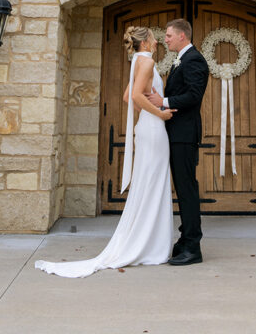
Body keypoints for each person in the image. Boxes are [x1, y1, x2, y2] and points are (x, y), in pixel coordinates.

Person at [35, 26, 174, 278]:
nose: (157, 41)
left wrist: (146, 105)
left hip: (147, 129)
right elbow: (134, 96)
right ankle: (151, 246)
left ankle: (149, 242)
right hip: (154, 130)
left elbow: (126, 97)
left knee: (149, 183)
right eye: (153, 39)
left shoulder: (138, 62)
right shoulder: (148, 61)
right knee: (154, 183)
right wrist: (160, 113)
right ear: (144, 43)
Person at [146, 18, 209, 266]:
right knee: (182, 190)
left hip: (184, 135)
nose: (166, 39)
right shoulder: (181, 59)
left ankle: (193, 246)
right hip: (175, 134)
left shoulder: (195, 60)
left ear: (182, 36)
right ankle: (185, 240)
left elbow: (194, 95)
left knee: (187, 190)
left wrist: (164, 101)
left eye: (170, 35)